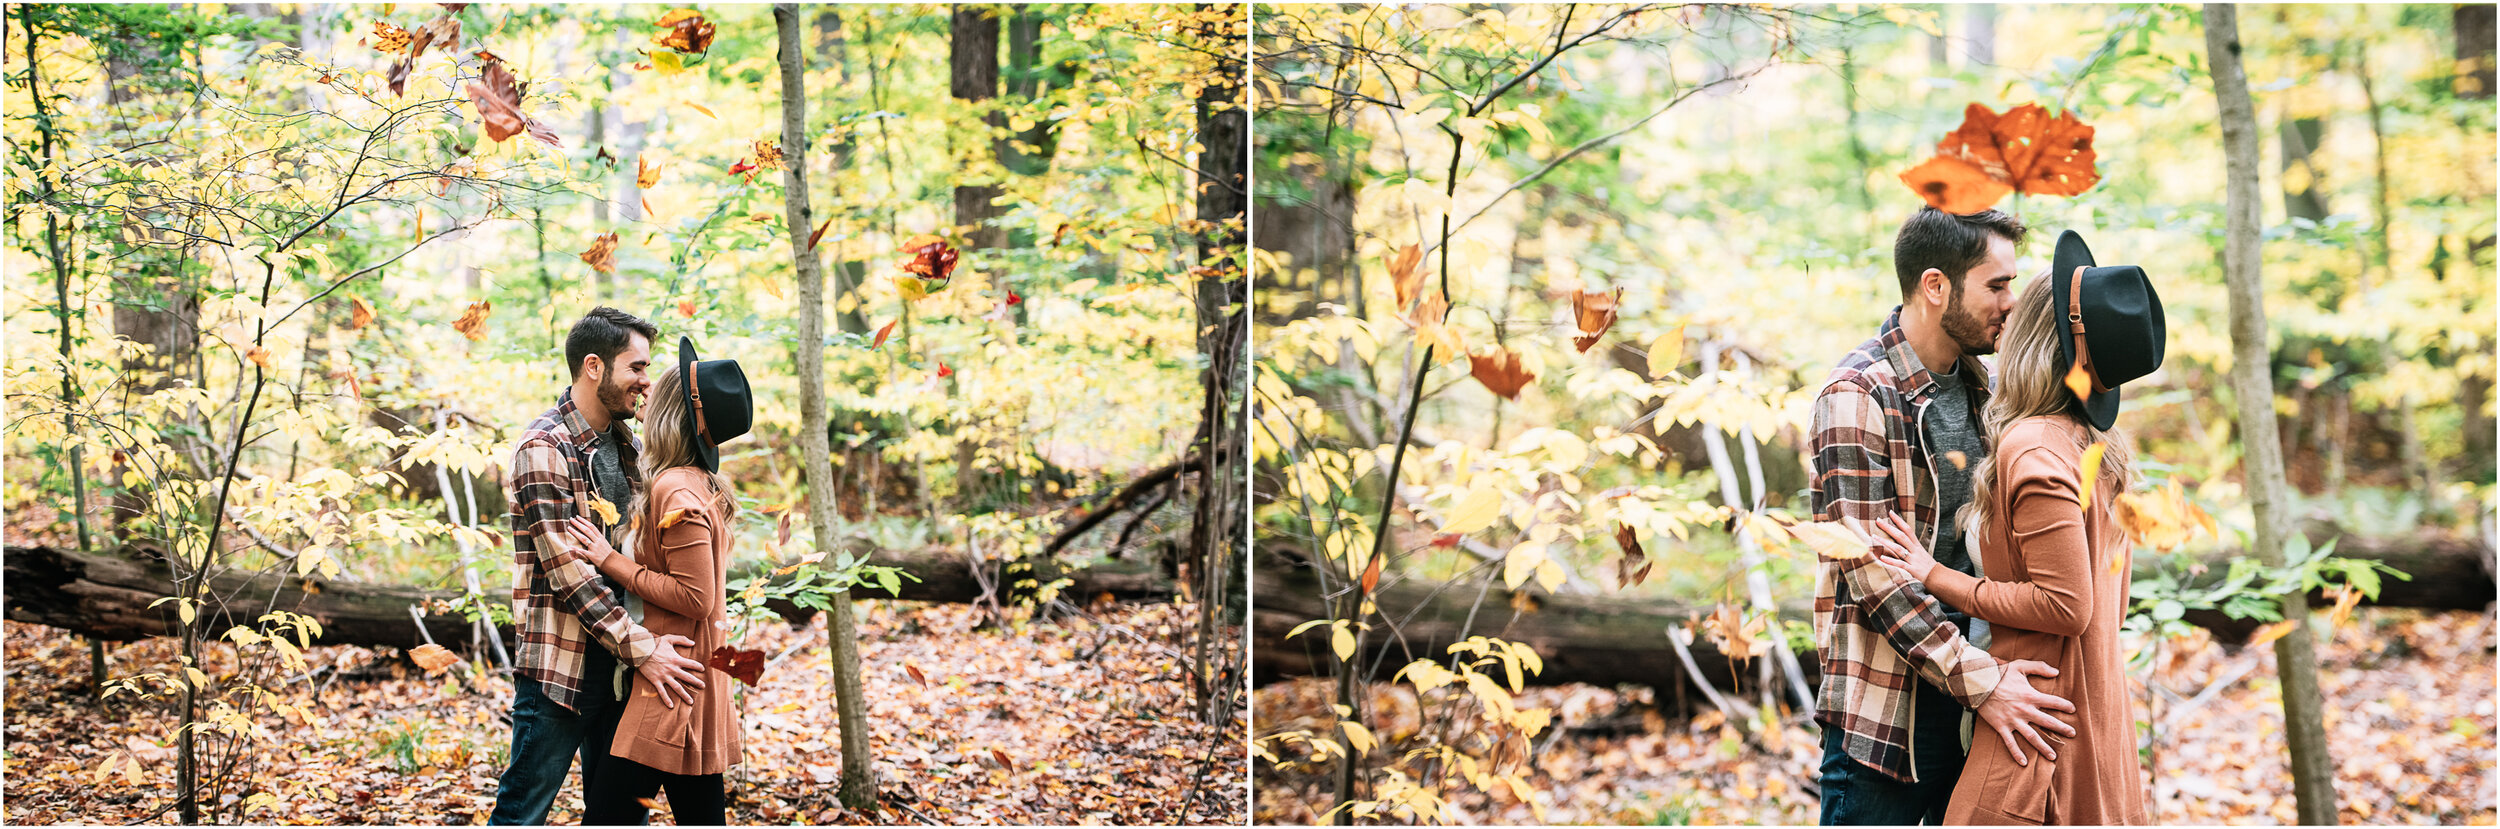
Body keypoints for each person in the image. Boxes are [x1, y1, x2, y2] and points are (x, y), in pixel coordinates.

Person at [1867, 230, 2163, 824]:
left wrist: (1935, 575)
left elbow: (2068, 606)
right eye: (1997, 286)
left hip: (2034, 718)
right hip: (2082, 710)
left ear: (2037, 331)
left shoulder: (2033, 447)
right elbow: (2114, 604)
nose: (2007, 304)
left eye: (2017, 293)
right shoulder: (2095, 447)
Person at [1807, 207, 2077, 825]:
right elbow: (1872, 575)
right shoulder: (1857, 395)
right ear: (1936, 286)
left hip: (1987, 679)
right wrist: (1982, 681)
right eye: (1997, 285)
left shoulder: (1985, 389)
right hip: (1892, 705)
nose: (2011, 303)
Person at [489, 308, 709, 825]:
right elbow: (569, 575)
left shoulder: (628, 446)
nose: (646, 381)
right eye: (636, 368)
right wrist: (646, 649)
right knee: (523, 813)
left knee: (615, 817)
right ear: (594, 366)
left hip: (622, 671)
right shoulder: (544, 449)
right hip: (561, 672)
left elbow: (649, 541)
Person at [568, 336, 753, 825]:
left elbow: (697, 597)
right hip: (688, 675)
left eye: (657, 388)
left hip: (671, 682)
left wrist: (611, 559)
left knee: (608, 818)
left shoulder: (676, 488)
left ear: (673, 410)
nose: (645, 390)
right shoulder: (687, 480)